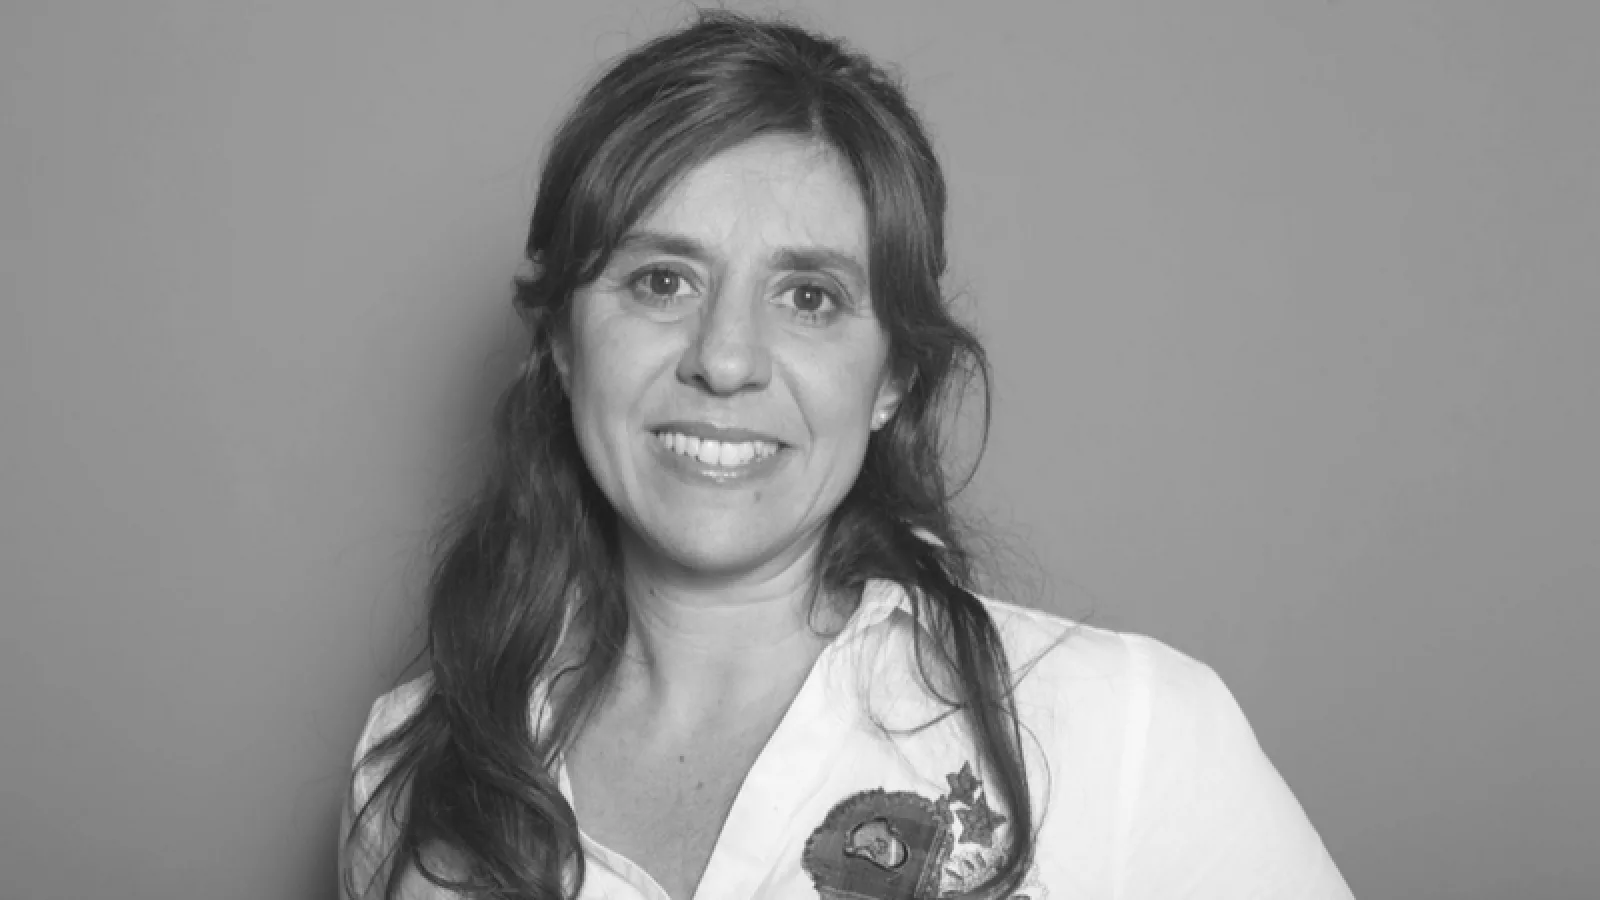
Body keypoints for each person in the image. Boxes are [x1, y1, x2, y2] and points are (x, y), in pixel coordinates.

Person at [340, 11, 1355, 900]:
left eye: (809, 298)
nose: (724, 359)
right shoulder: (410, 770)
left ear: (892, 379)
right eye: (661, 281)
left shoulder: (1124, 730)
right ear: (564, 341)